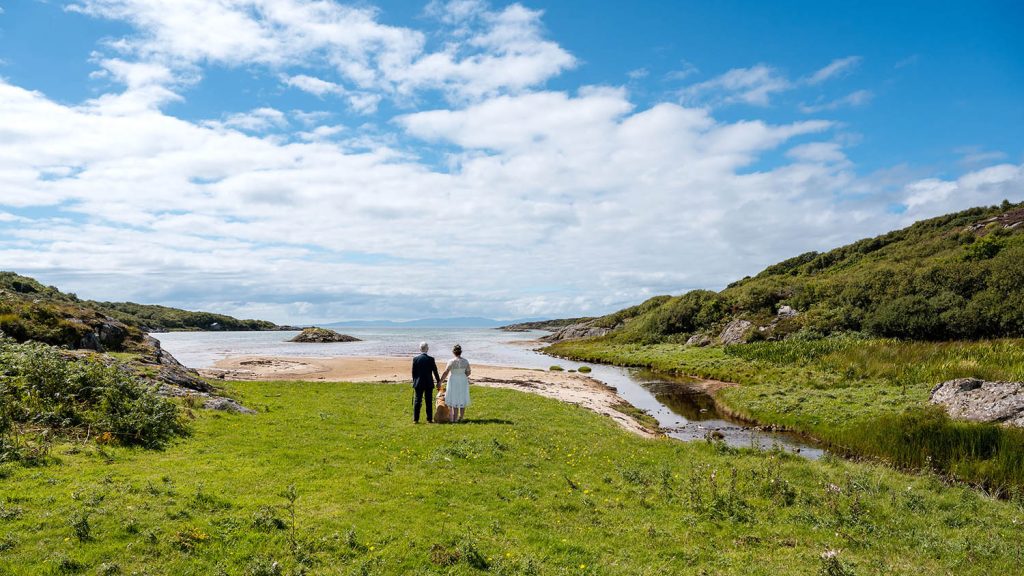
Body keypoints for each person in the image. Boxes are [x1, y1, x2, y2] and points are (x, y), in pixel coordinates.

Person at [439, 344, 471, 422]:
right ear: (461, 352)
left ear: (453, 352)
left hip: (453, 379)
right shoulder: (465, 361)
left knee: (454, 397)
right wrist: (463, 375)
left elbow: (446, 372)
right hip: (462, 379)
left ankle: (455, 418)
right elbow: (468, 372)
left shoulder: (451, 361)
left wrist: (440, 381)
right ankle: (461, 417)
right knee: (462, 397)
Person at [411, 341, 440, 423]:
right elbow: (435, 371)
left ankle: (416, 419)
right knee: (428, 401)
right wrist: (438, 381)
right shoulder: (431, 359)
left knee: (417, 401)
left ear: (420, 349)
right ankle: (429, 419)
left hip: (418, 382)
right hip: (428, 382)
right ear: (427, 349)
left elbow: (413, 372)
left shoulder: (415, 359)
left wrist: (414, 381)